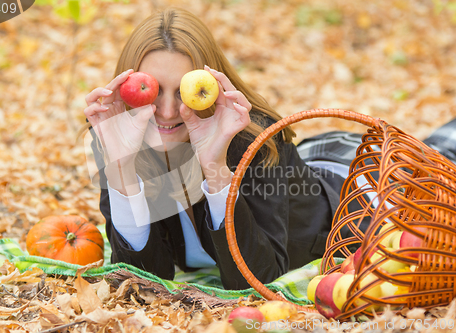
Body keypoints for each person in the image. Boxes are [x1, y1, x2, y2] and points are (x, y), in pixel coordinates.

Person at [82, 7, 455, 290]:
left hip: (357, 191)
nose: (165, 110)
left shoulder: (249, 139)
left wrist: (214, 167)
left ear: (208, 85)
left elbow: (256, 278)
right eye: (153, 89)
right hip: (307, 162)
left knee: (442, 158)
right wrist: (121, 169)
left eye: (183, 91)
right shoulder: (121, 140)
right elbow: (143, 280)